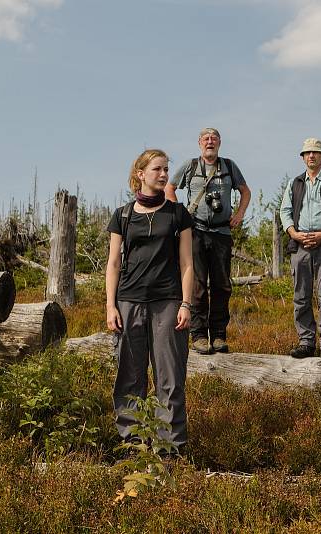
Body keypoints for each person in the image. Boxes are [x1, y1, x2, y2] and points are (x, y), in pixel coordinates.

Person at [106, 149, 194, 454]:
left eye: (167, 169)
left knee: (169, 377)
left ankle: (169, 450)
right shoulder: (123, 215)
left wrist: (186, 304)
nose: (164, 174)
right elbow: (113, 264)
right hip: (128, 301)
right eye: (158, 169)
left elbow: (187, 264)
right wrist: (110, 305)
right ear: (141, 174)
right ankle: (133, 446)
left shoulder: (178, 214)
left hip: (168, 302)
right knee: (129, 376)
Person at [165, 127, 251, 354]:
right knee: (198, 286)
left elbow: (245, 192)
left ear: (220, 143)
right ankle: (199, 336)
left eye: (214, 138)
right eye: (206, 139)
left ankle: (219, 336)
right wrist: (180, 214)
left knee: (222, 285)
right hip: (196, 232)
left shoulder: (229, 166)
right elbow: (169, 188)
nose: (210, 142)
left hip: (222, 233)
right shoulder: (190, 166)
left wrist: (239, 214)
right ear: (199, 143)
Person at [280, 138, 321, 360]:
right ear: (302, 157)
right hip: (300, 245)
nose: (311, 156)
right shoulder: (294, 183)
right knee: (301, 295)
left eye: (316, 153)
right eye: (307, 153)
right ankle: (306, 342)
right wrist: (294, 233)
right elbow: (285, 211)